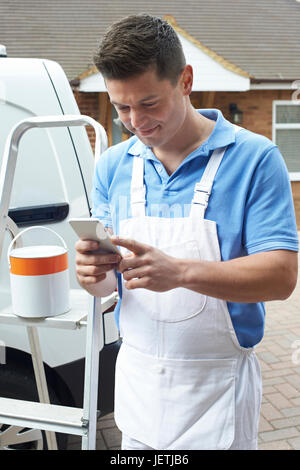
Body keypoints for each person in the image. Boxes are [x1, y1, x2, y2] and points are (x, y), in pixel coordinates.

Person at [75, 14, 299, 450]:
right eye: (122, 107)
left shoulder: (255, 159)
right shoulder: (113, 166)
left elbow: (282, 277)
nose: (136, 121)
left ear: (186, 80)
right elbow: (107, 284)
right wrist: (91, 274)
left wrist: (180, 273)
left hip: (219, 394)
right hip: (139, 388)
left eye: (149, 103)